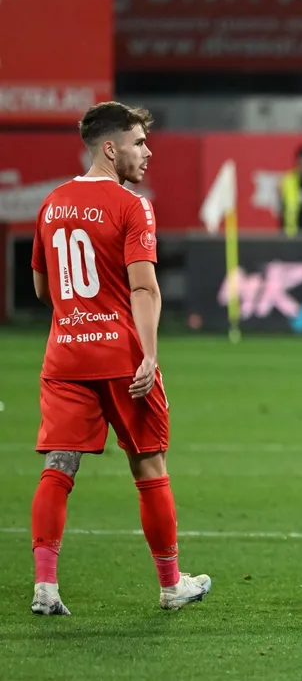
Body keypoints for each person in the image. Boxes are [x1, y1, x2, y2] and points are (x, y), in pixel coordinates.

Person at [29, 101, 211, 616]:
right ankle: (171, 585)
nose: (147, 153)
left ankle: (45, 587)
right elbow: (145, 288)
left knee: (59, 468)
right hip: (121, 359)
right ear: (110, 149)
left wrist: (78, 314)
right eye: (139, 143)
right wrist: (149, 353)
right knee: (149, 464)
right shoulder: (133, 206)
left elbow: (43, 289)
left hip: (65, 357)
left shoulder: (52, 203)